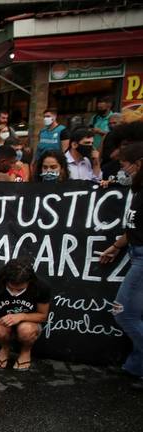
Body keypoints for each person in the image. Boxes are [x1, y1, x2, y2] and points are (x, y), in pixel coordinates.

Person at [99, 142, 143, 379]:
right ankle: (135, 367)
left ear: (139, 164)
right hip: (134, 252)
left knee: (123, 313)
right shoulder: (138, 190)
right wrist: (116, 246)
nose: (123, 171)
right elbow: (136, 227)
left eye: (125, 165)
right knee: (136, 315)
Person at [0, 258, 51, 374]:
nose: (15, 292)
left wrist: (21, 316)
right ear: (5, 280)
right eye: (11, 288)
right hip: (3, 324)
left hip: (29, 324)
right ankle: (5, 348)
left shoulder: (41, 287)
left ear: (30, 281)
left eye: (20, 289)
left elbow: (43, 316)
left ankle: (26, 351)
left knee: (26, 329)